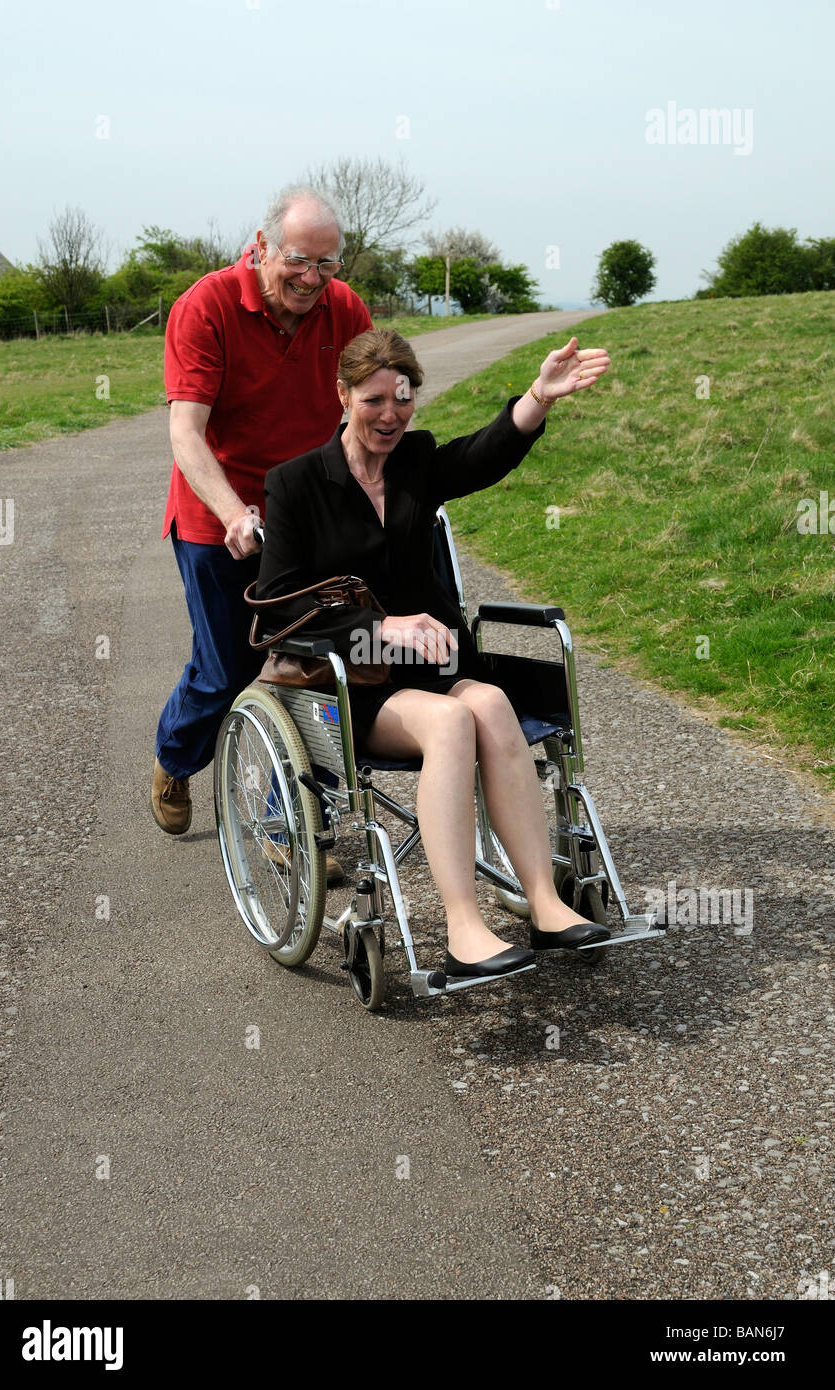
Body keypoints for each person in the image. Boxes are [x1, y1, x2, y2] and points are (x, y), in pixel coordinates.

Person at [255, 328, 613, 979]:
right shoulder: (295, 485)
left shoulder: (414, 459)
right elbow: (278, 602)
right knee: (450, 722)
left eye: (403, 399)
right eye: (373, 401)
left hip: (435, 668)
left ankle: (543, 902)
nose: (390, 415)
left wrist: (539, 395)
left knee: (492, 701)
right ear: (342, 396)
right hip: (351, 680)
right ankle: (462, 925)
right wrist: (381, 625)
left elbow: (482, 456)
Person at [152, 185, 372, 885]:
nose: (312, 279)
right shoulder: (207, 306)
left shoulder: (344, 309)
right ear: (260, 246)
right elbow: (186, 431)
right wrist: (232, 513)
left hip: (299, 517)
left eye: (327, 265)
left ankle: (289, 826)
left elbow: (364, 407)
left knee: (317, 672)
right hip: (215, 517)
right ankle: (175, 759)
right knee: (227, 674)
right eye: (298, 262)